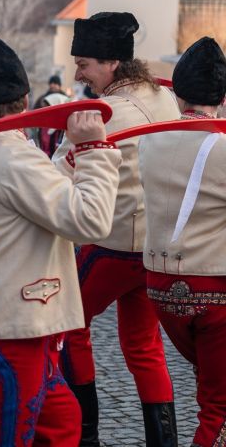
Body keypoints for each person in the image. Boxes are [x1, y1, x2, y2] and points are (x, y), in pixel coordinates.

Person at [0, 34, 122, 446]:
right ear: (24, 99)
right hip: (5, 332)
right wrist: (94, 150)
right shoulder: (12, 154)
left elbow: (31, 199)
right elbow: (90, 222)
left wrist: (71, 162)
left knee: (61, 424)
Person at [53, 12, 180, 446]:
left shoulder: (100, 115)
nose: (77, 74)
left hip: (112, 245)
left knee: (69, 325)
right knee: (144, 346)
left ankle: (83, 435)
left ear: (111, 63)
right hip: (154, 246)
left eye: (83, 64)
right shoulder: (164, 97)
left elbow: (56, 178)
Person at [138, 37, 226, 447]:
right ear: (222, 98)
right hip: (214, 288)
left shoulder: (150, 140)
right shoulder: (222, 148)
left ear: (177, 94)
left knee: (210, 387)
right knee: (219, 408)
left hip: (161, 286)